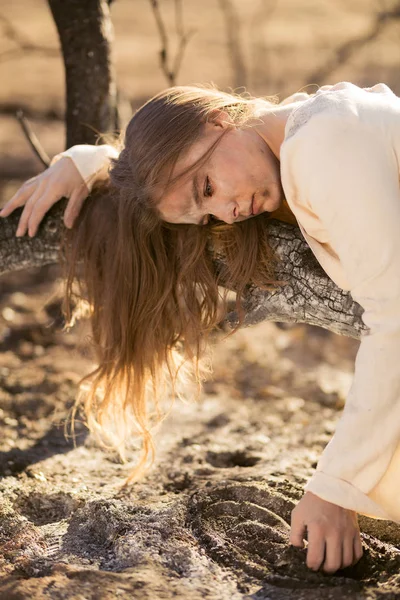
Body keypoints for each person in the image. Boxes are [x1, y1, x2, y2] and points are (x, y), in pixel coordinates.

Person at [2, 81, 400, 575]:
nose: (227, 212)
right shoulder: (297, 135)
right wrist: (92, 161)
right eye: (205, 216)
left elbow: (396, 322)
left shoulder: (324, 143)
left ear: (219, 120)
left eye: (207, 189)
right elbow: (191, 149)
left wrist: (336, 488)